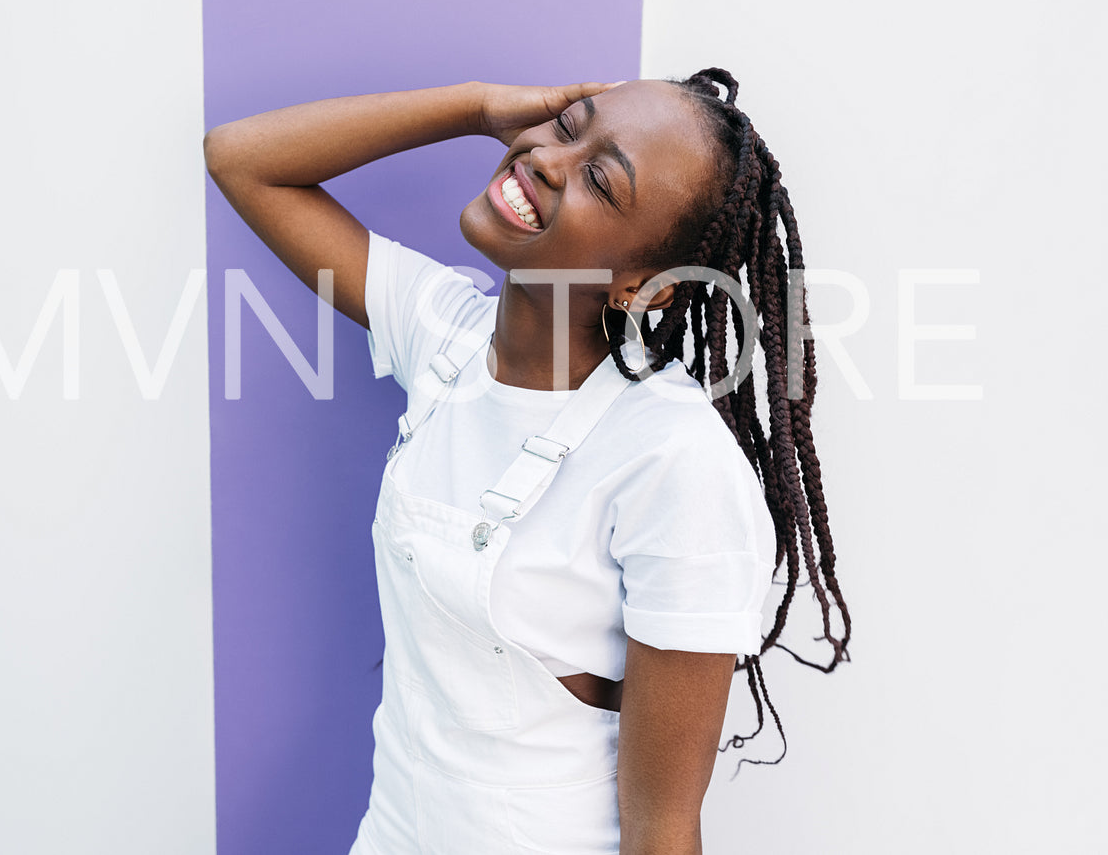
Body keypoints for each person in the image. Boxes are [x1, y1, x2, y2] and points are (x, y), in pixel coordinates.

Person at [203, 71, 851, 855]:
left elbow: (662, 829)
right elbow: (241, 158)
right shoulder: (444, 338)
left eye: (600, 180)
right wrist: (477, 107)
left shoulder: (670, 458)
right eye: (566, 126)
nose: (548, 159)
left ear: (641, 287)